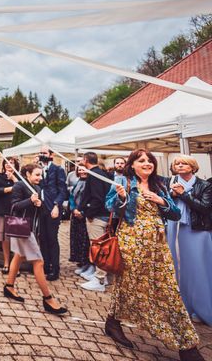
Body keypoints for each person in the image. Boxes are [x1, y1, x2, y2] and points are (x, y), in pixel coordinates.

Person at [105, 149, 203, 361]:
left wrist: (161, 201)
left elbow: (175, 214)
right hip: (130, 242)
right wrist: (121, 198)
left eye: (150, 161)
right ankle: (113, 323)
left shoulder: (160, 184)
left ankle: (186, 345)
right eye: (142, 161)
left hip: (157, 244)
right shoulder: (124, 181)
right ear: (132, 165)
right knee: (128, 284)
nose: (147, 164)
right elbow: (109, 206)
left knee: (167, 288)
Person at [3, 163, 68, 316]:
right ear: (27, 174)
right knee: (39, 262)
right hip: (20, 227)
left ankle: (9, 286)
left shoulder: (38, 189)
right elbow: (13, 207)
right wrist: (30, 201)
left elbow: (35, 210)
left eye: (41, 175)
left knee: (19, 256)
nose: (40, 177)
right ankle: (48, 299)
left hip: (30, 227)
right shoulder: (19, 186)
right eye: (37, 174)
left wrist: (39, 205)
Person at [166, 156, 212, 326]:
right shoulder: (170, 182)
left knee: (198, 268)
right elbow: (166, 205)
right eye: (176, 163)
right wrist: (170, 195)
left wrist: (183, 194)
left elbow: (205, 208)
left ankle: (202, 308)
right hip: (175, 228)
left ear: (192, 167)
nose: (179, 165)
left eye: (183, 163)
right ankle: (183, 306)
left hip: (196, 230)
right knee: (178, 267)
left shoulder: (204, 185)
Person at [78, 151, 112, 292]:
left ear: (86, 160)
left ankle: (100, 279)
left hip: (98, 217)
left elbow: (98, 198)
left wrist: (89, 213)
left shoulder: (94, 175)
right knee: (99, 247)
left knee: (98, 248)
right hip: (100, 215)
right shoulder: (99, 173)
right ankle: (100, 276)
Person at [37, 146, 66, 281]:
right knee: (42, 238)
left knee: (52, 239)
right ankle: (45, 265)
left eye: (44, 152)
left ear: (51, 155)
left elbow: (62, 190)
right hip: (41, 207)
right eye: (40, 152)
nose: (42, 154)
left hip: (53, 208)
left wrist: (56, 205)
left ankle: (55, 269)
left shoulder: (58, 170)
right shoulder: (38, 169)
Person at [0, 157, 19, 273]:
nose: (8, 164)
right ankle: (6, 262)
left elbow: (24, 189)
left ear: (15, 165)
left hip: (16, 211)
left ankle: (16, 265)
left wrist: (14, 179)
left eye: (11, 162)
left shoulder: (20, 177)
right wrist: (10, 189)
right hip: (3, 210)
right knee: (5, 238)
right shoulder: (0, 176)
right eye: (6, 162)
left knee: (16, 239)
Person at [69, 164, 90, 275]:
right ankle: (80, 262)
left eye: (84, 169)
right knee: (77, 239)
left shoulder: (90, 183)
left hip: (84, 215)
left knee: (84, 241)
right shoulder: (77, 182)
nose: (82, 171)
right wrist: (73, 209)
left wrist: (82, 212)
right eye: (80, 169)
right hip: (75, 214)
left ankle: (86, 263)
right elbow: (72, 197)